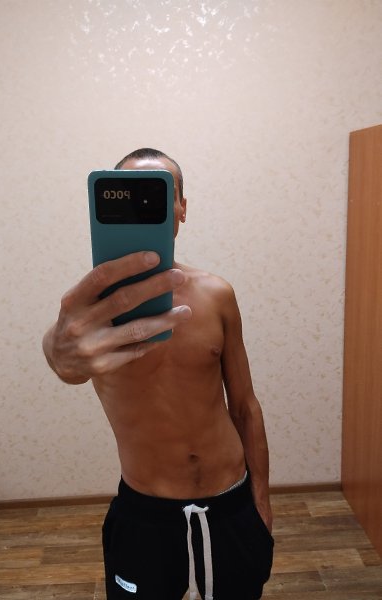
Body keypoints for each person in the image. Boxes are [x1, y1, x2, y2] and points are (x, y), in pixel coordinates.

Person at [42, 148, 274, 600]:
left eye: (160, 194)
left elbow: (245, 406)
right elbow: (63, 353)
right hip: (145, 513)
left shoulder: (217, 294)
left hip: (231, 502)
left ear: (182, 207)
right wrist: (56, 351)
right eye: (129, 195)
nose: (144, 207)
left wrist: (261, 500)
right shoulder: (90, 315)